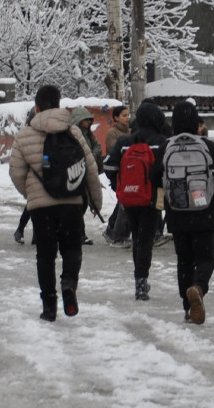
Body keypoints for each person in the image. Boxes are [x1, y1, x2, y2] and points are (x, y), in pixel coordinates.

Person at [9, 85, 104, 321]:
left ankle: (49, 305)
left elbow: (16, 173)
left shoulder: (24, 135)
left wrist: (31, 194)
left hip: (41, 208)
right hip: (71, 202)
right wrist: (96, 201)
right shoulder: (73, 132)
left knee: (45, 255)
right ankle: (69, 284)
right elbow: (90, 167)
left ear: (37, 107)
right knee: (72, 248)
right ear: (59, 105)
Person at [162, 102, 214, 323]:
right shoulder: (208, 146)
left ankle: (187, 307)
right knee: (205, 258)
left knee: (184, 260)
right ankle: (198, 288)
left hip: (177, 213)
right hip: (204, 213)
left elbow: (154, 175)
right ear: (197, 123)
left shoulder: (166, 147)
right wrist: (208, 184)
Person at [104, 103, 171, 300]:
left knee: (136, 238)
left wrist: (119, 186)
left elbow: (108, 165)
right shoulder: (161, 141)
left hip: (130, 198)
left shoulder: (126, 141)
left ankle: (139, 279)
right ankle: (141, 280)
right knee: (146, 240)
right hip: (153, 197)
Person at [101, 106, 134, 247]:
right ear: (115, 118)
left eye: (128, 115)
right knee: (123, 201)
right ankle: (115, 231)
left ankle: (112, 228)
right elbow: (114, 150)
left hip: (130, 172)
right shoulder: (112, 133)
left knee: (123, 201)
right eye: (123, 115)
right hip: (118, 171)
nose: (127, 118)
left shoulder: (131, 132)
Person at [69, 107, 99, 246]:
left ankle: (79, 232)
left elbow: (97, 147)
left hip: (87, 170)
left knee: (84, 202)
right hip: (78, 171)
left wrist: (91, 155)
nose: (88, 122)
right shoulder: (75, 134)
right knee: (79, 204)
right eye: (86, 120)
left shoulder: (89, 135)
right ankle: (80, 233)